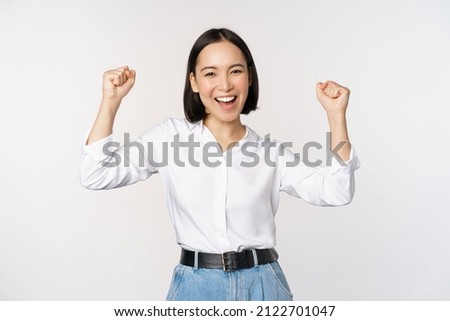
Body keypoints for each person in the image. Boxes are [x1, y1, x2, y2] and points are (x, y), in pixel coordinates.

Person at [80, 28, 360, 301]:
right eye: (210, 73)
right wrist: (110, 102)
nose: (225, 85)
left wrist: (336, 115)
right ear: (193, 82)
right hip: (195, 288)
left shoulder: (270, 153)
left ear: (249, 77)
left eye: (235, 71)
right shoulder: (169, 138)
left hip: (263, 287)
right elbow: (96, 173)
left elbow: (336, 191)